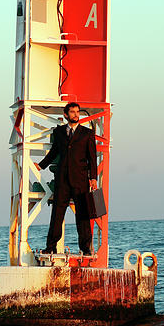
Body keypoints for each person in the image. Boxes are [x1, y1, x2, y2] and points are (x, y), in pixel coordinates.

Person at [34, 101, 98, 256]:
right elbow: (54, 152)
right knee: (57, 214)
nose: (76, 114)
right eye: (72, 112)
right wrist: (41, 165)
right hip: (62, 179)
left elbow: (92, 157)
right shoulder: (59, 132)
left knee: (83, 215)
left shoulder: (87, 133)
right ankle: (51, 246)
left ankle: (85, 248)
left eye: (77, 112)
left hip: (81, 179)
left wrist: (93, 178)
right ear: (65, 114)